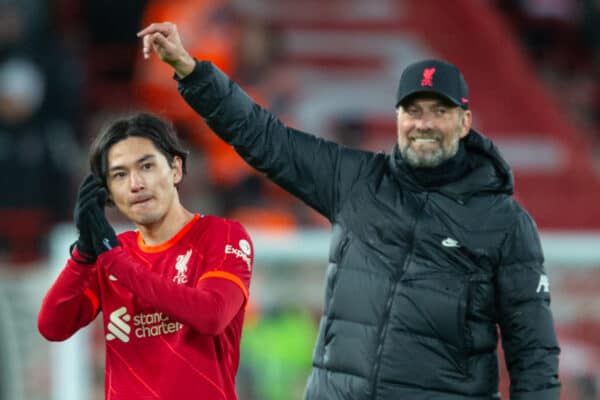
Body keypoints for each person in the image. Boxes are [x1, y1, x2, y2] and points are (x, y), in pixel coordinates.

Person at [137, 22, 561, 400]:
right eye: (413, 110)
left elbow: (533, 353)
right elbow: (265, 138)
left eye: (440, 111)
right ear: (397, 118)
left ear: (465, 122)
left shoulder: (505, 223)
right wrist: (192, 71)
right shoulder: (357, 181)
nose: (424, 123)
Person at [37, 113, 254, 399]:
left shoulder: (222, 235)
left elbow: (212, 314)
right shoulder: (111, 252)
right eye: (119, 174)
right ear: (109, 193)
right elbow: (53, 326)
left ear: (176, 169)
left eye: (147, 166)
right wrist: (83, 255)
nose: (136, 184)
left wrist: (115, 260)